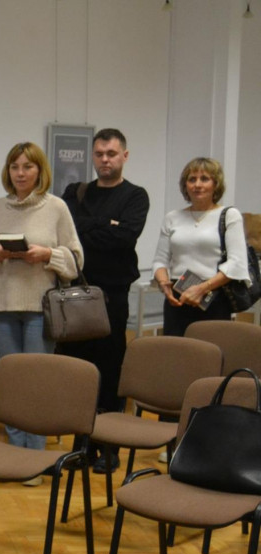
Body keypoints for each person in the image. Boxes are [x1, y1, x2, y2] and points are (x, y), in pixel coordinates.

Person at [0, 142, 82, 464]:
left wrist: (47, 254)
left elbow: (76, 259)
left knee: (36, 382)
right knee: (12, 381)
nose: (20, 173)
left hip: (41, 307)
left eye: (27, 167)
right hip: (3, 305)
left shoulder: (56, 208)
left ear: (40, 171)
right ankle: (13, 452)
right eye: (15, 167)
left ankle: (34, 456)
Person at [57, 129, 150, 473]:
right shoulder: (75, 192)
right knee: (80, 375)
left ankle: (109, 448)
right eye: (99, 154)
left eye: (111, 153)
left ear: (124, 156)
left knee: (110, 372)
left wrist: (89, 227)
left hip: (112, 296)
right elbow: (68, 233)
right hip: (75, 294)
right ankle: (83, 447)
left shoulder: (135, 196)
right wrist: (103, 225)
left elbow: (124, 238)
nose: (105, 160)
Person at [152, 157, 250, 337]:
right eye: (192, 179)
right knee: (176, 355)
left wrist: (201, 288)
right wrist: (163, 282)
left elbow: (236, 263)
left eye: (204, 179)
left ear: (216, 184)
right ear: (185, 185)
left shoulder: (229, 215)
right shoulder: (172, 217)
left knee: (210, 355)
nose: (197, 184)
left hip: (213, 297)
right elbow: (160, 260)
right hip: (177, 298)